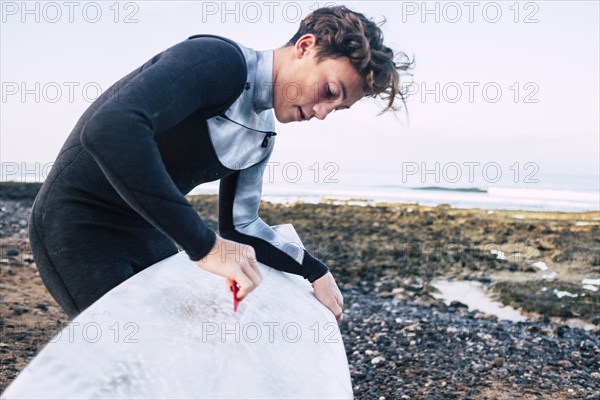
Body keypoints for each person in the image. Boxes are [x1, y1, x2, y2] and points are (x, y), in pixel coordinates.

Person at [28, 5, 411, 320]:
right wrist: (206, 246)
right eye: (330, 91)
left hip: (151, 232)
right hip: (79, 225)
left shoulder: (261, 137)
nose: (324, 113)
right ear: (305, 46)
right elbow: (110, 129)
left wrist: (315, 271)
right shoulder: (218, 60)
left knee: (170, 355)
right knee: (127, 357)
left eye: (338, 108)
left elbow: (242, 226)